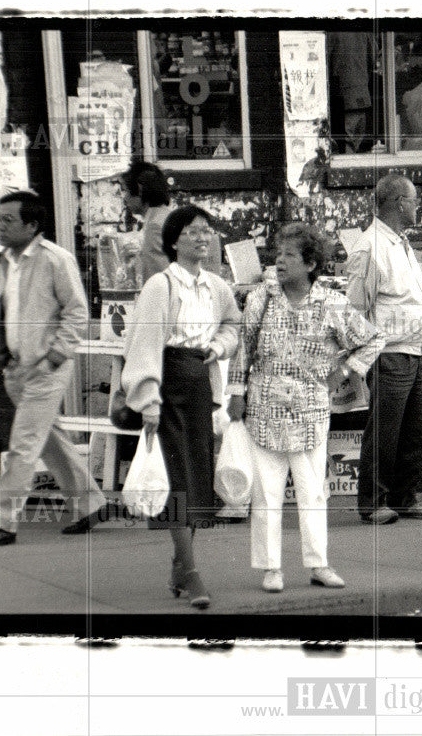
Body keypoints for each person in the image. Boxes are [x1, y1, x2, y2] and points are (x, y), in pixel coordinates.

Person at [227, 223, 382, 593]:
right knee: (267, 493)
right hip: (264, 410)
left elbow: (373, 340)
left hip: (311, 412)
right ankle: (271, 568)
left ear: (311, 264)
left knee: (313, 491)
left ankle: (319, 564)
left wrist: (344, 370)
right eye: (278, 254)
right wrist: (235, 392)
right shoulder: (261, 299)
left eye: (290, 255)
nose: (280, 261)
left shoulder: (333, 303)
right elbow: (243, 348)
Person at [121, 205, 242, 609]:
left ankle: (180, 564)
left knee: (195, 475)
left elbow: (232, 324)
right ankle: (190, 573)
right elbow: (144, 343)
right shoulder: (161, 285)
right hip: (168, 385)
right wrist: (148, 398)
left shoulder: (216, 285)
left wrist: (219, 346)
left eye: (207, 232)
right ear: (174, 241)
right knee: (175, 479)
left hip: (200, 387)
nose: (202, 238)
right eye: (192, 232)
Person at [0, 190, 108, 546]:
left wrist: (54, 358)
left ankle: (2, 522)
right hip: (17, 369)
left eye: (8, 220)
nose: (0, 226)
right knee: (49, 439)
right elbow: (4, 311)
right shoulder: (6, 261)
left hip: (46, 368)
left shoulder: (55, 260)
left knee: (23, 445)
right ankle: (91, 504)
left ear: (32, 225)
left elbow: (77, 312)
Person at [346, 173, 422, 525]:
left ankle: (404, 496)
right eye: (414, 200)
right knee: (384, 431)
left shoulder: (400, 242)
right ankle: (372, 501)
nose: (418, 206)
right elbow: (354, 312)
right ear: (400, 203)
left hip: (415, 351)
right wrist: (357, 366)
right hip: (389, 353)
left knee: (414, 430)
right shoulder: (370, 248)